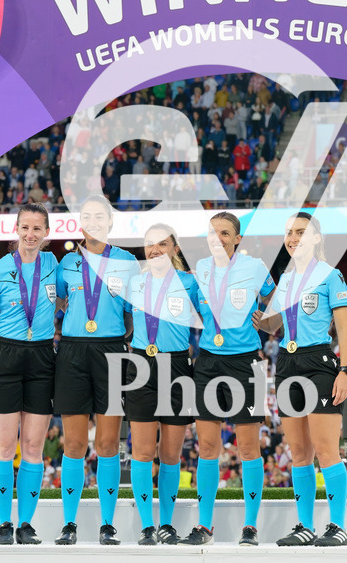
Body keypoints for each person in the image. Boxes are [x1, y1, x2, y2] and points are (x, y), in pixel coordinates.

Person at [179, 212, 275, 546]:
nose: (218, 238)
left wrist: (267, 319)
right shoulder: (200, 270)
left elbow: (276, 304)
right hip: (207, 362)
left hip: (248, 363)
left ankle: (250, 526)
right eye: (212, 232)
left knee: (248, 447)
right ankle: (204, 526)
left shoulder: (256, 268)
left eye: (225, 233)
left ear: (237, 239)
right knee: (206, 446)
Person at [258, 212, 347, 547]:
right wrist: (260, 317)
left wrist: (346, 369)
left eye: (301, 232)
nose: (293, 238)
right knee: (298, 452)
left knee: (326, 450)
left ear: (316, 238)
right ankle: (305, 526)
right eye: (289, 233)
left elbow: (343, 328)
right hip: (286, 362)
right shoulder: (285, 279)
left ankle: (338, 525)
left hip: (319, 364)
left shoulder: (331, 275)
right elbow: (274, 326)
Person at [54, 195, 139, 545]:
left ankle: (107, 524)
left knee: (107, 444)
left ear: (110, 223)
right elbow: (59, 300)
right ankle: (69, 525)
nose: (93, 222)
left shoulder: (127, 261)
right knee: (73, 443)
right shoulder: (66, 263)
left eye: (99, 217)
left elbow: (134, 310)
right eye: (87, 216)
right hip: (72, 352)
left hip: (112, 352)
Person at [0, 202, 59, 545]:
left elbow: (72, 298)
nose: (31, 234)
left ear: (47, 234)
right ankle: (3, 524)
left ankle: (26, 523)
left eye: (37, 228)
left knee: (34, 446)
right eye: (25, 227)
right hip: (5, 358)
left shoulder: (54, 265)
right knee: (5, 446)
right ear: (17, 230)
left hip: (42, 358)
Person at [125, 223, 201, 545]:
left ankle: (167, 524)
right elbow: (126, 322)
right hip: (141, 364)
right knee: (142, 452)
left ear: (174, 248)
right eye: (149, 245)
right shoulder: (135, 283)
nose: (154, 250)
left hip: (178, 367)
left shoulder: (190, 283)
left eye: (162, 244)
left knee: (171, 454)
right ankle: (147, 526)